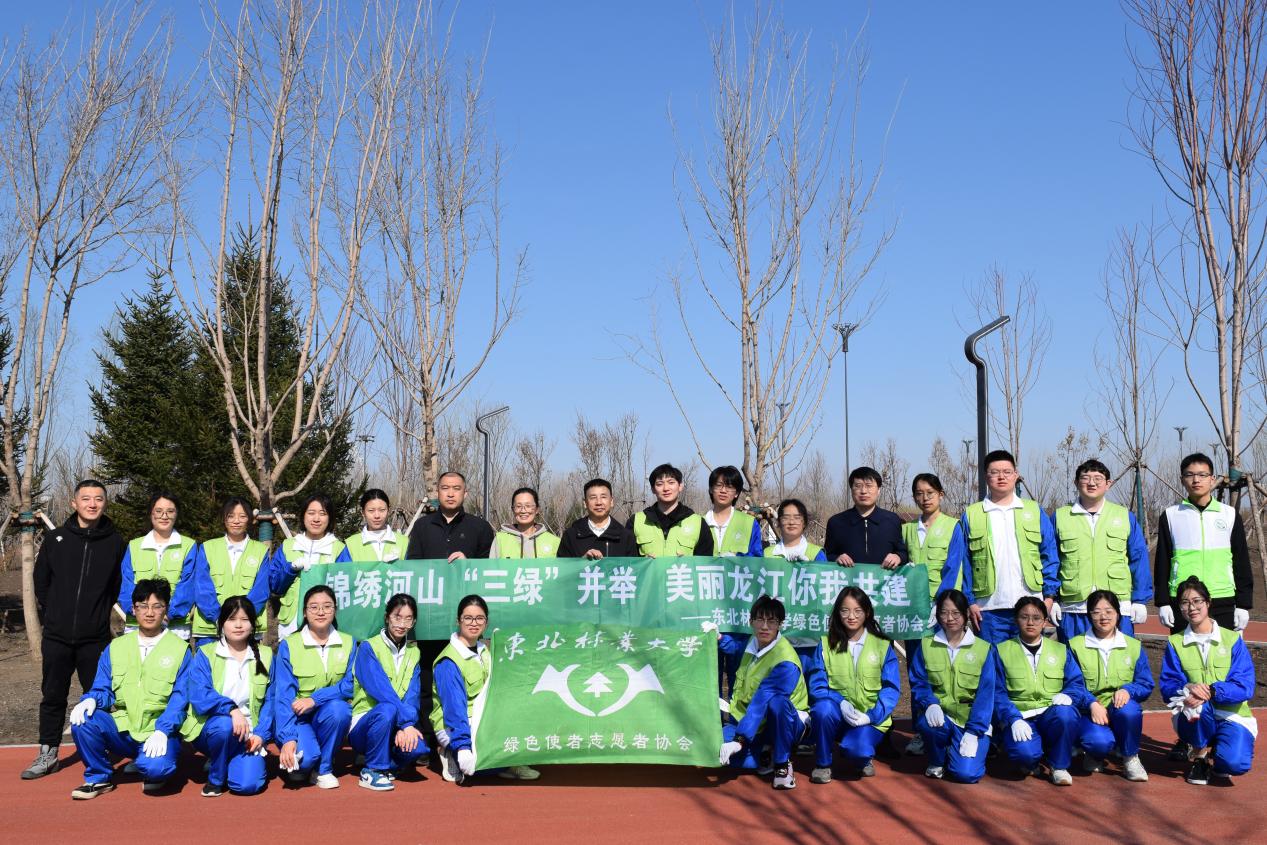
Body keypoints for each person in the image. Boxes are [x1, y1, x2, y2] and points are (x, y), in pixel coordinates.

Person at [25, 479, 127, 781]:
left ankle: (100, 752)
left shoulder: (115, 544)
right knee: (52, 695)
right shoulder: (56, 538)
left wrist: (97, 615)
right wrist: (54, 614)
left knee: (98, 697)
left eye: (98, 499)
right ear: (74, 503)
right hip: (56, 636)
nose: (92, 504)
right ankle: (48, 752)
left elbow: (116, 587)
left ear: (105, 503)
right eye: (86, 498)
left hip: (94, 639)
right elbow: (41, 582)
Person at [67, 579, 191, 799]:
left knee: (156, 769)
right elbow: (103, 688)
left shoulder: (180, 649)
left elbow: (181, 699)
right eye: (143, 606)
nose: (149, 612)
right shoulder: (116, 647)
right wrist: (91, 699)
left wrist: (163, 730)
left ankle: (148, 761)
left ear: (166, 609)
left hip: (158, 730)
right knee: (83, 719)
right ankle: (98, 777)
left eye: (157, 606)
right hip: (123, 728)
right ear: (133, 609)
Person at [430, 595, 540, 783]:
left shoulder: (483, 651)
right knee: (477, 765)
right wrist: (463, 747)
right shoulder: (449, 661)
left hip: (483, 718)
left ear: (486, 622)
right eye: (468, 618)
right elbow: (454, 710)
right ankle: (451, 753)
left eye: (479, 618)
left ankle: (508, 762)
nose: (474, 623)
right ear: (458, 621)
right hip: (455, 726)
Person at [1160, 576, 1257, 785]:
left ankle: (1221, 754)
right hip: (1194, 713)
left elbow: (1245, 686)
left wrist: (1212, 691)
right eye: (1185, 603)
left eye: (1197, 601)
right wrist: (1188, 688)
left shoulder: (1232, 639)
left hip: (1232, 715)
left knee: (1234, 764)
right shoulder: (1175, 642)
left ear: (1208, 602)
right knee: (1199, 707)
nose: (1191, 607)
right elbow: (1168, 685)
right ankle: (1200, 756)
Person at [960, 450, 1060, 644]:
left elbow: (1049, 555)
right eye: (994, 472)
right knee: (992, 660)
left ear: (1016, 475)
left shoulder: (1033, 510)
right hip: (987, 609)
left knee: (1026, 660)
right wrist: (970, 601)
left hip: (1030, 604)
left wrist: (1049, 597)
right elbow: (964, 563)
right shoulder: (972, 514)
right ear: (986, 476)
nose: (1001, 477)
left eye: (1007, 472)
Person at [803, 587, 900, 782]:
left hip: (868, 719)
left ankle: (861, 755)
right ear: (838, 613)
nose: (851, 616)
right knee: (822, 709)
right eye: (845, 610)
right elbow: (817, 686)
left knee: (858, 751)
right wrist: (840, 701)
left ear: (867, 612)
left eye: (858, 611)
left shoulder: (882, 645)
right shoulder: (826, 644)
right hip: (837, 715)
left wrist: (870, 716)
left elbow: (891, 689)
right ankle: (823, 764)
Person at [993, 596, 1092, 786]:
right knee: (1024, 754)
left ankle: (1059, 766)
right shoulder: (1001, 651)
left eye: (1036, 618)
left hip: (1051, 714)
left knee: (1066, 714)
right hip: (1021, 718)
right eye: (1024, 617)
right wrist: (1013, 718)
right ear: (1016, 620)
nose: (1030, 622)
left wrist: (1069, 695)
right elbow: (997, 692)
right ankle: (1032, 759)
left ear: (1045, 621)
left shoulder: (1061, 650)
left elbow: (1076, 683)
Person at [182, 595, 275, 797]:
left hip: (250, 734)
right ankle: (216, 777)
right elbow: (200, 696)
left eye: (244, 619)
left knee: (247, 786)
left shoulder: (266, 655)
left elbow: (271, 701)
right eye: (232, 619)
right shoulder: (206, 654)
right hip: (213, 729)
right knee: (224, 726)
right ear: (222, 623)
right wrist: (231, 709)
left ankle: (228, 759)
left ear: (253, 624)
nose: (238, 625)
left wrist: (261, 734)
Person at [1154, 453, 1253, 635]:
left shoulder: (1229, 515)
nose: (1196, 480)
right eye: (1190, 475)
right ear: (1182, 479)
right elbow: (1162, 562)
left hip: (1222, 598)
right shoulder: (1170, 515)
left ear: (1212, 479)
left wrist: (1243, 604)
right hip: (1184, 600)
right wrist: (1163, 602)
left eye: (1202, 475)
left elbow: (1241, 562)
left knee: (1223, 652)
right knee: (1185, 651)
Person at [1052, 460, 1152, 640]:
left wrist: (1139, 599)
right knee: (1073, 656)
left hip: (1116, 607)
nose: (1092, 483)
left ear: (1108, 484)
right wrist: (1051, 597)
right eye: (1085, 478)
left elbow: (1139, 559)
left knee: (1118, 656)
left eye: (1098, 478)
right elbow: (1051, 560)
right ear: (1076, 482)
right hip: (1073, 608)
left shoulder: (1124, 516)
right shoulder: (1060, 517)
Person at [717, 595, 808, 790]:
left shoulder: (785, 661)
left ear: (780, 625)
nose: (765, 626)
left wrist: (740, 740)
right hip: (755, 721)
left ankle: (782, 762)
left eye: (771, 621)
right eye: (760, 620)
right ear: (751, 622)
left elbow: (762, 699)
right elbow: (737, 648)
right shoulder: (754, 641)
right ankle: (763, 752)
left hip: (786, 722)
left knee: (777, 703)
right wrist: (719, 638)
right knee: (715, 746)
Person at [908, 589, 997, 783]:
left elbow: (986, 695)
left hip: (970, 723)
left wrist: (973, 731)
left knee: (966, 774)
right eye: (944, 613)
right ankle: (937, 760)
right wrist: (930, 704)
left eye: (956, 613)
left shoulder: (983, 649)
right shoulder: (926, 645)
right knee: (928, 724)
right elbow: (919, 681)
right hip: (940, 718)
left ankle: (957, 749)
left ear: (966, 614)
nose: (949, 619)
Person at [272, 585, 355, 789]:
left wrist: (315, 699)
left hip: (327, 714)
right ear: (304, 612)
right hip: (297, 719)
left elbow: (350, 684)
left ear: (335, 610)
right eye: (314, 607)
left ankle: (324, 769)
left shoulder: (348, 642)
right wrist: (288, 738)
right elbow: (283, 696)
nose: (321, 612)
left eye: (327, 606)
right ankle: (309, 758)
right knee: (302, 763)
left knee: (340, 710)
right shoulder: (289, 645)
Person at [1068, 590, 1153, 782]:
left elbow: (1145, 683)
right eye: (1096, 612)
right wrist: (1091, 703)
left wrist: (1128, 690)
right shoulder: (1075, 645)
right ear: (1089, 615)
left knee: (1129, 710)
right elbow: (1072, 685)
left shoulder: (1133, 646)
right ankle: (1094, 752)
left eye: (1108, 611)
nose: (1103, 617)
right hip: (1090, 712)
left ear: (1118, 614)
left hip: (1119, 709)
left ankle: (1130, 757)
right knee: (1098, 742)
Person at [349, 594, 427, 791]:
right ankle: (372, 770)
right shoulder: (368, 647)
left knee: (417, 747)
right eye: (397, 617)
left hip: (396, 721)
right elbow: (381, 691)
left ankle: (387, 764)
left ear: (414, 622)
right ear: (387, 617)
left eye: (408, 619)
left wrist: (404, 726)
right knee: (387, 709)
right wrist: (405, 722)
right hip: (366, 723)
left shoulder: (414, 652)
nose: (402, 624)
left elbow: (412, 696)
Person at [117, 490, 197, 639]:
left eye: (170, 511)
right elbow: (126, 584)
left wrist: (167, 613)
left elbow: (188, 585)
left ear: (176, 514)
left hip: (175, 629)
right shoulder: (134, 546)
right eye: (159, 511)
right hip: (137, 627)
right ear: (151, 513)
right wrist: (139, 611)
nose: (164, 516)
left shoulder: (188, 546)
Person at [191, 497, 270, 645]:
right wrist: (219, 617)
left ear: (250, 519)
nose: (236, 521)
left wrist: (242, 618)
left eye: (242, 516)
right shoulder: (207, 548)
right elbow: (202, 587)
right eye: (231, 516)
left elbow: (261, 590)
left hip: (246, 629)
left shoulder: (261, 551)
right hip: (210, 630)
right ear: (224, 518)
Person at [268, 494, 350, 638]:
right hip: (291, 623)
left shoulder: (339, 549)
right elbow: (274, 585)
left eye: (322, 514)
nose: (316, 519)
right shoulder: (288, 546)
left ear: (330, 518)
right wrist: (291, 569)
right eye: (311, 513)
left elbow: (346, 589)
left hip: (326, 623)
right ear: (303, 516)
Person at [823, 466, 907, 568]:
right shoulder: (836, 522)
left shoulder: (892, 520)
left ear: (878, 490)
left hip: (883, 577)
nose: (863, 491)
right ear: (851, 489)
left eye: (869, 486)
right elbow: (827, 555)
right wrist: (837, 558)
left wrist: (898, 557)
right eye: (858, 486)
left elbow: (903, 553)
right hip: (849, 577)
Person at [902, 474, 967, 600]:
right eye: (919, 494)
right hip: (911, 598)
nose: (925, 498)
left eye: (930, 493)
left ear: (940, 495)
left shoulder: (953, 526)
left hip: (940, 600)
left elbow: (954, 568)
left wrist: (943, 600)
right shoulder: (906, 529)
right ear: (914, 498)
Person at [405, 471, 495, 561]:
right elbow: (413, 564)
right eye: (445, 488)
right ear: (437, 493)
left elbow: (488, 566)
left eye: (456, 488)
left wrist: (467, 564)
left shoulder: (481, 527)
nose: (450, 494)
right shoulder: (421, 526)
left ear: (465, 494)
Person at [628, 463, 714, 556]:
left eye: (671, 482)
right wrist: (643, 562)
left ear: (680, 486)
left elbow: (706, 562)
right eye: (659, 484)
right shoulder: (636, 521)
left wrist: (688, 562)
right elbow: (627, 560)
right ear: (653, 489)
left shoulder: (698, 523)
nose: (666, 488)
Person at [557, 478, 640, 559]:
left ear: (611, 501)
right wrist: (581, 562)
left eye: (603, 497)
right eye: (593, 497)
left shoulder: (626, 537)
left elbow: (633, 567)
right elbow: (562, 567)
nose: (599, 502)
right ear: (585, 503)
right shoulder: (570, 536)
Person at [704, 466, 763, 557]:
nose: (723, 490)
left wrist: (737, 558)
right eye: (719, 485)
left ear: (736, 493)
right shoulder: (700, 523)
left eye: (729, 486)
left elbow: (757, 558)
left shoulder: (749, 523)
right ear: (711, 489)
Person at [343, 489, 409, 562]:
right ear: (363, 512)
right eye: (371, 510)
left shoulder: (404, 542)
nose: (377, 516)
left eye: (382, 510)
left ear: (388, 510)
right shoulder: (351, 545)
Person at [493, 487, 560, 558]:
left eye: (528, 506)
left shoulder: (554, 541)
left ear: (537, 509)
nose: (523, 511)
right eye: (518, 506)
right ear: (513, 510)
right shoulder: (500, 540)